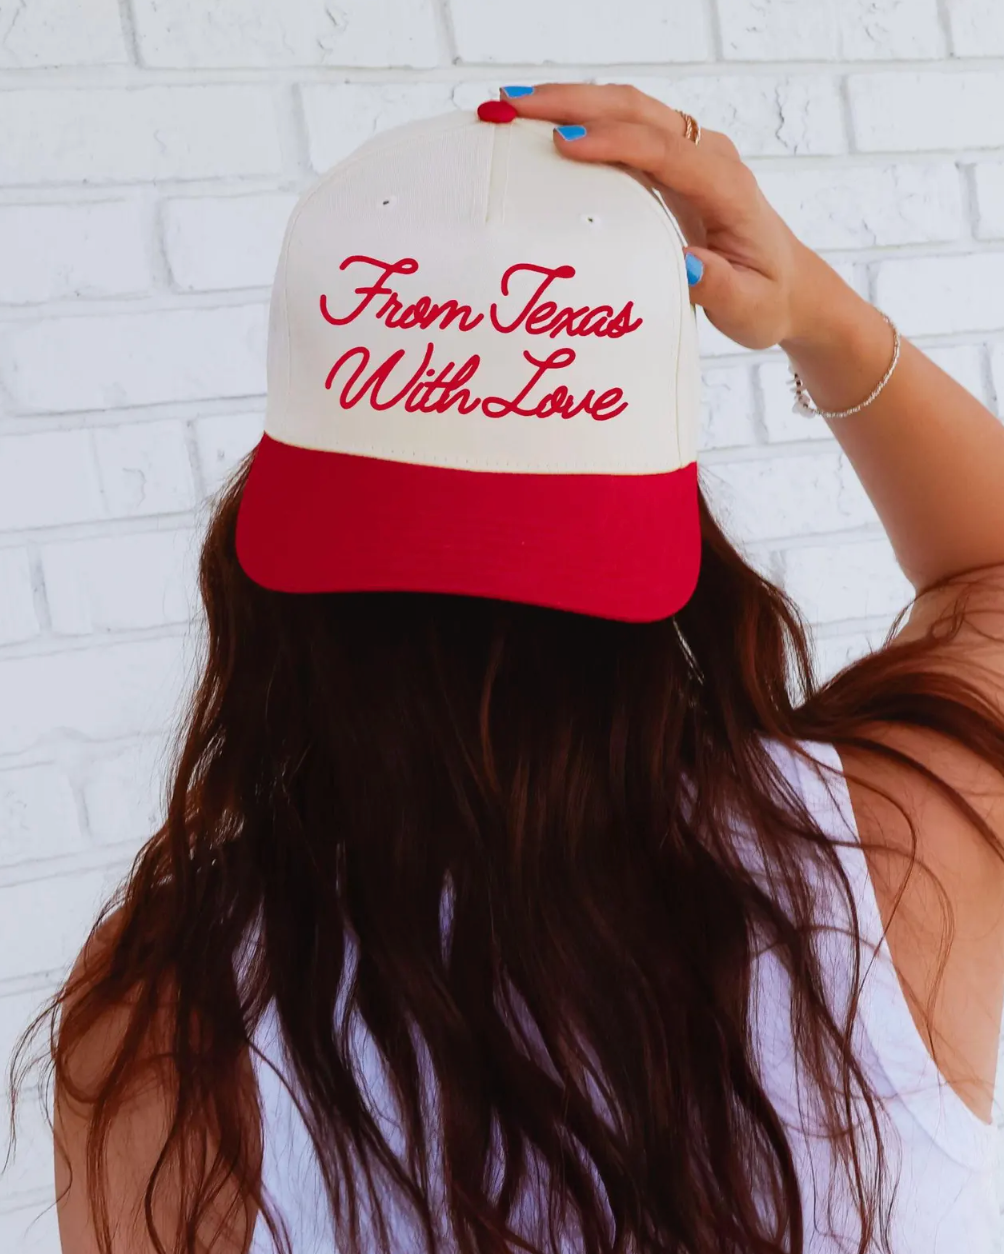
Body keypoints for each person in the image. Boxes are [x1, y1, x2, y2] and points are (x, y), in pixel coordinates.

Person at [8, 81, 1004, 1254]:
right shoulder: (901, 855)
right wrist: (815, 314)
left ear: (268, 576)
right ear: (675, 542)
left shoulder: (169, 1024)